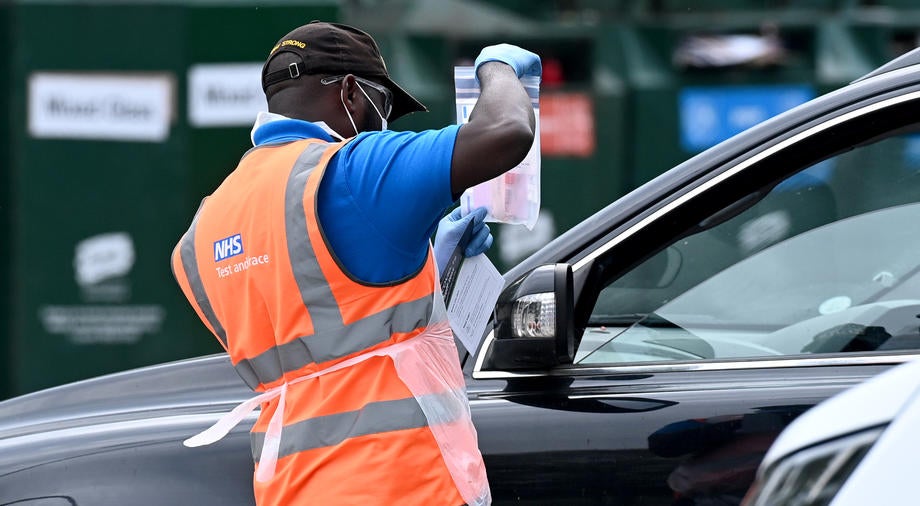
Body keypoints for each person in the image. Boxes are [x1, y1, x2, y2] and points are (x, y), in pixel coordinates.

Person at [171, 20, 538, 506]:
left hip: (291, 488)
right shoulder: (353, 170)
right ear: (350, 92)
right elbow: (505, 131)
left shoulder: (202, 232)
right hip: (405, 484)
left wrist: (428, 269)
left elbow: (326, 334)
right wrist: (498, 69)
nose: (385, 122)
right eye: (383, 106)